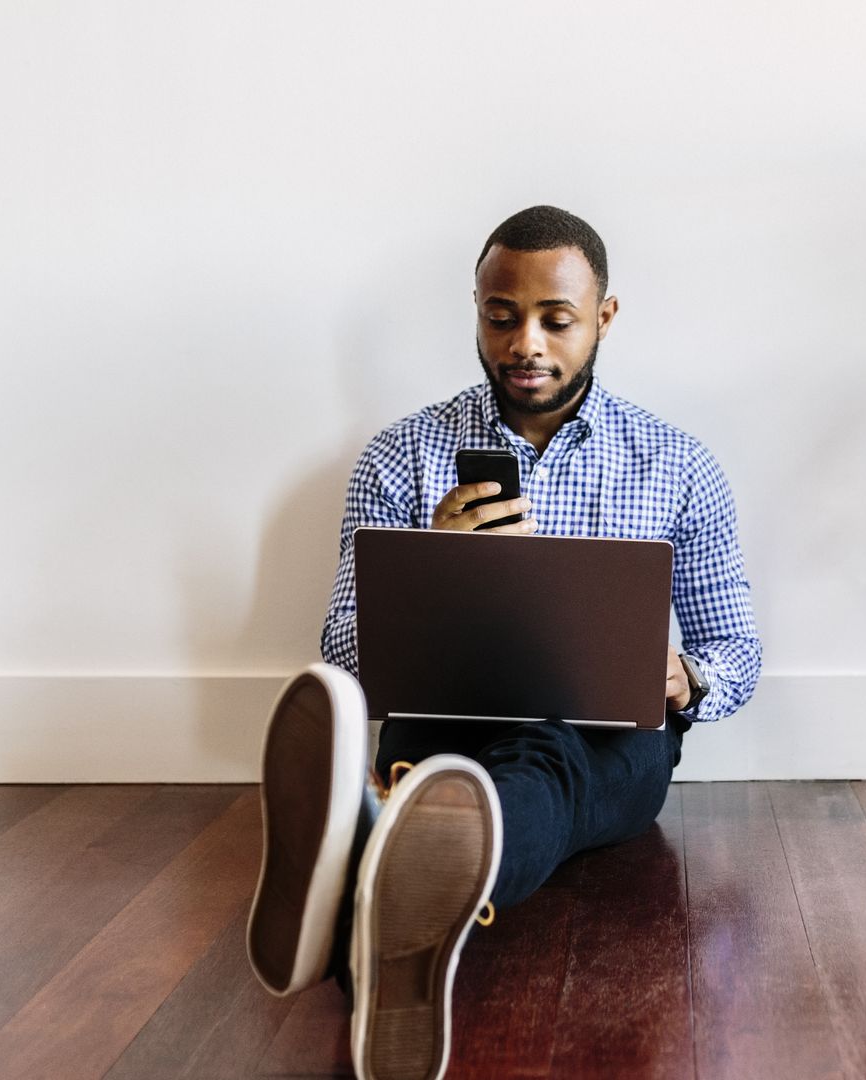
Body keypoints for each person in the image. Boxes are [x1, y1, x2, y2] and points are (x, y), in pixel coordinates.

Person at [242, 205, 761, 1080]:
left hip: (610, 743)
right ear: (476, 308)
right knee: (466, 776)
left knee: (550, 754)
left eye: (556, 320)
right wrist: (438, 567)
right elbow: (340, 657)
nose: (526, 342)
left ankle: (367, 855)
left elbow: (736, 652)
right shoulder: (402, 456)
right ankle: (398, 892)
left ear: (604, 317)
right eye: (500, 315)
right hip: (442, 726)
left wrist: (682, 677)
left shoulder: (678, 465)